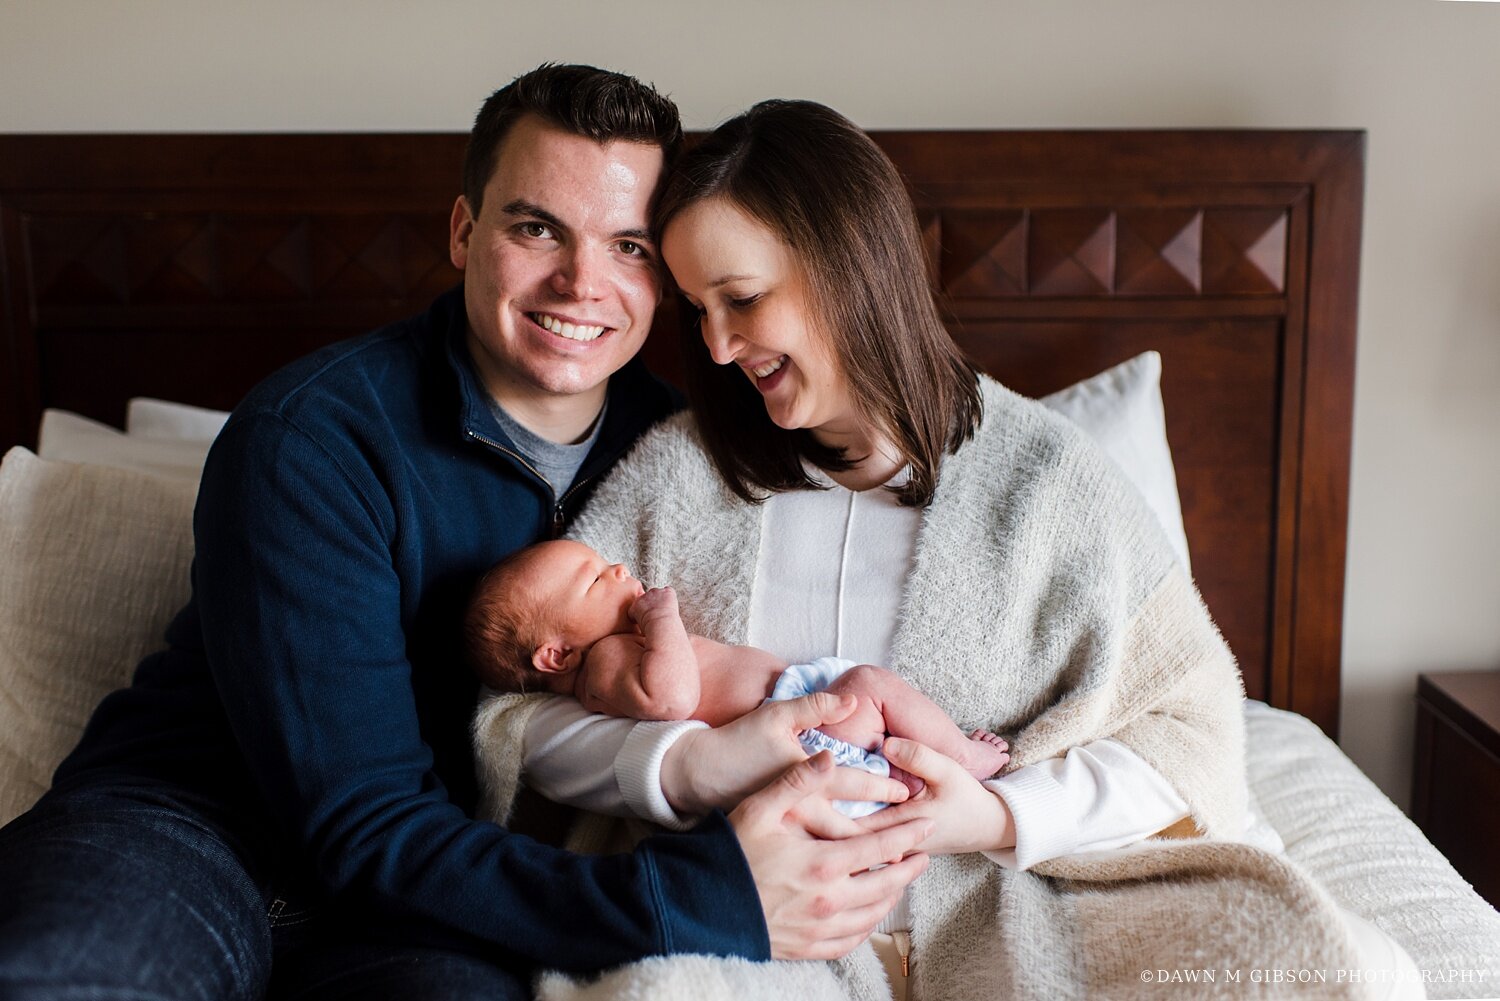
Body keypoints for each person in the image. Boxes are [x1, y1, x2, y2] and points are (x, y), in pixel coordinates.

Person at [0, 69, 935, 1000]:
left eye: (629, 245)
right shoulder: (316, 434)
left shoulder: (689, 455)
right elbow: (357, 821)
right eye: (537, 228)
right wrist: (694, 896)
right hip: (188, 830)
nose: (582, 282)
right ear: (462, 231)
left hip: (444, 902)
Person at [475, 99, 1422, 1000]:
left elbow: (1188, 732)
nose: (717, 348)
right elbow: (522, 719)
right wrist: (693, 765)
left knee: (1302, 958)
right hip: (756, 903)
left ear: (846, 265)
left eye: (743, 299)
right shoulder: (681, 473)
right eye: (698, 311)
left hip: (1008, 903)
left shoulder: (1052, 484)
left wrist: (995, 815)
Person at [464, 538, 1012, 815]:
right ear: (556, 657)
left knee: (875, 709)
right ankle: (961, 758)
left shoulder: (614, 648)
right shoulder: (605, 662)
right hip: (789, 727)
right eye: (593, 581)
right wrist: (662, 620)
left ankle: (925, 776)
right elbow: (673, 700)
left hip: (797, 711)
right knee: (871, 683)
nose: (619, 570)